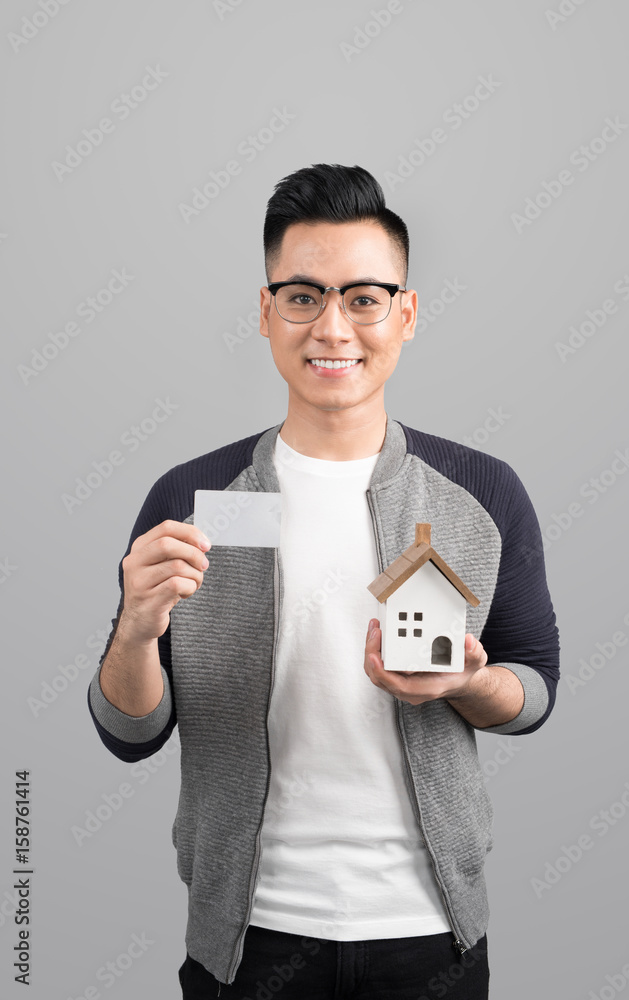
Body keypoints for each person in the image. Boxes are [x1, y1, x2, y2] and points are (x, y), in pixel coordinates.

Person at [88, 163, 560, 998]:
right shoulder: (192, 499)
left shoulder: (481, 493)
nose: (332, 327)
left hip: (431, 935)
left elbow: (536, 687)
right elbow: (131, 732)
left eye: (363, 298)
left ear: (405, 314)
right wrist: (133, 632)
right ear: (265, 313)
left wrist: (470, 682)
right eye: (302, 297)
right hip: (245, 937)